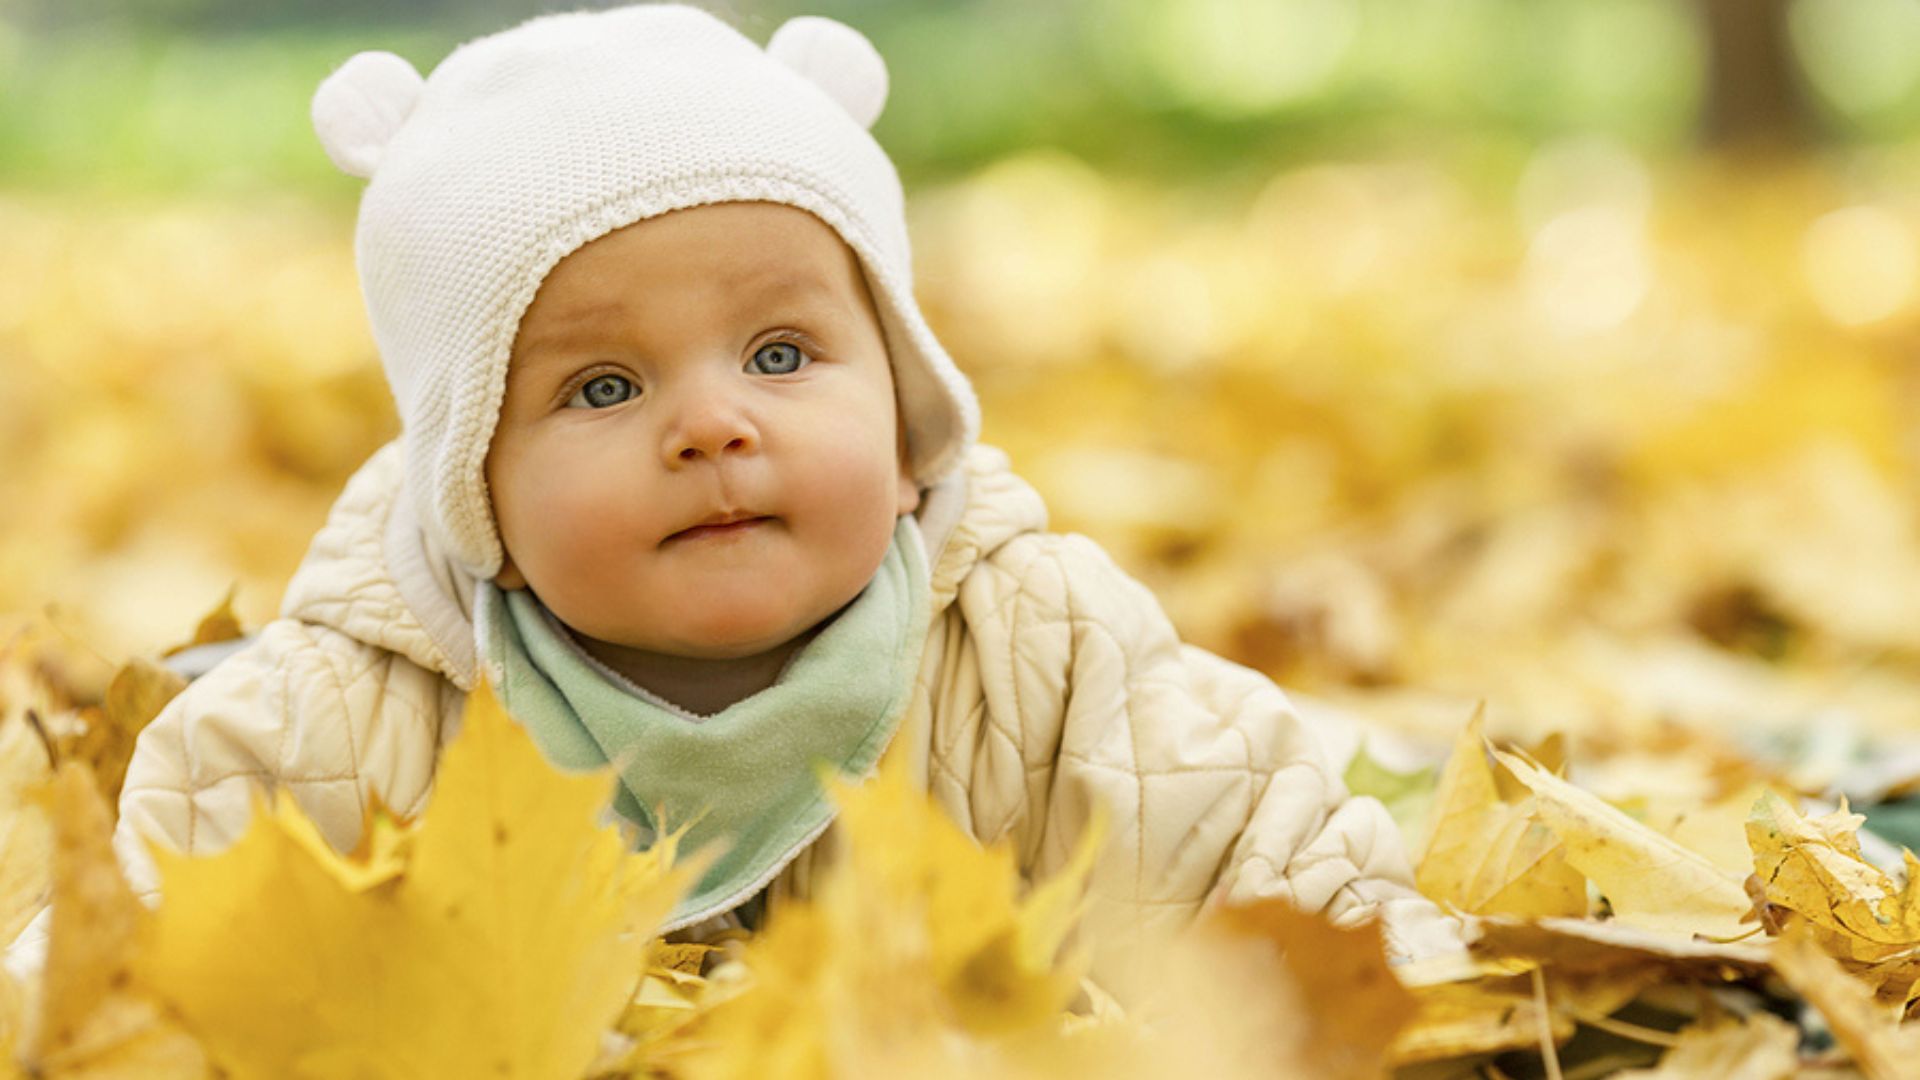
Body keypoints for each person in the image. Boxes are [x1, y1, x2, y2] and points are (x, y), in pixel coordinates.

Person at [6, 2, 1459, 994]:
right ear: (475, 498)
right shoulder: (334, 726)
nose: (712, 425)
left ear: (907, 425)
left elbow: (1280, 886)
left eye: (781, 354)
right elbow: (112, 980)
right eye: (602, 389)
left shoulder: (1040, 651)